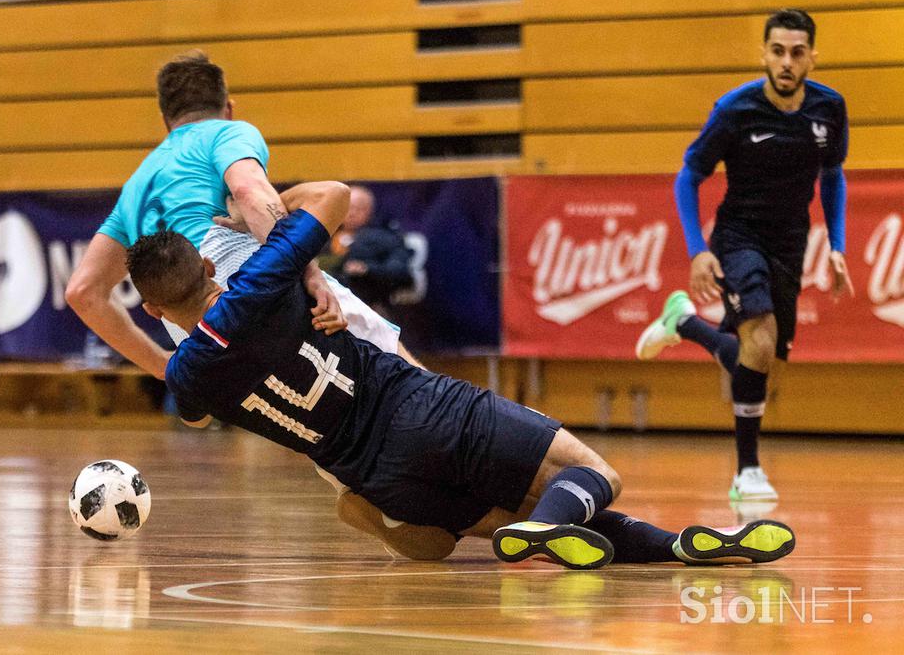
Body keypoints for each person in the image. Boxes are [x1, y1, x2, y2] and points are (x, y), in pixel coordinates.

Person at [128, 179, 797, 568]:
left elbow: (192, 410)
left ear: (155, 307)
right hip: (414, 405)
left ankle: (683, 547)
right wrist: (253, 202)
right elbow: (332, 196)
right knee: (595, 475)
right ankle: (544, 530)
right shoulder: (260, 279)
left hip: (375, 475)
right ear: (212, 267)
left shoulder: (188, 375)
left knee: (541, 520)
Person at [65, 50, 428, 555]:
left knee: (301, 408)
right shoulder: (225, 133)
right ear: (227, 105)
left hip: (188, 323)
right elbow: (254, 195)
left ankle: (375, 495)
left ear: (165, 118)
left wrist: (170, 368)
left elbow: (82, 292)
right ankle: (460, 450)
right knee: (398, 370)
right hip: (235, 271)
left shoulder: (139, 181)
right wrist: (312, 273)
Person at [635, 9, 852, 502]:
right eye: (777, 51)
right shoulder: (735, 109)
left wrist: (837, 245)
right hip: (738, 236)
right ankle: (747, 472)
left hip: (791, 240)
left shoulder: (829, 108)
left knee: (762, 356)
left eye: (797, 52)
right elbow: (689, 175)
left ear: (812, 58)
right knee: (759, 342)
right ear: (764, 54)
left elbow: (833, 174)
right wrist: (696, 251)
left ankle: (684, 323)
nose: (786, 61)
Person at [323, 185, 414, 317]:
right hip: (326, 309)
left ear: (370, 210)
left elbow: (401, 272)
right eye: (347, 207)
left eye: (358, 208)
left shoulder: (385, 238)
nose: (351, 213)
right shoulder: (323, 238)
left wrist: (367, 269)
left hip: (369, 310)